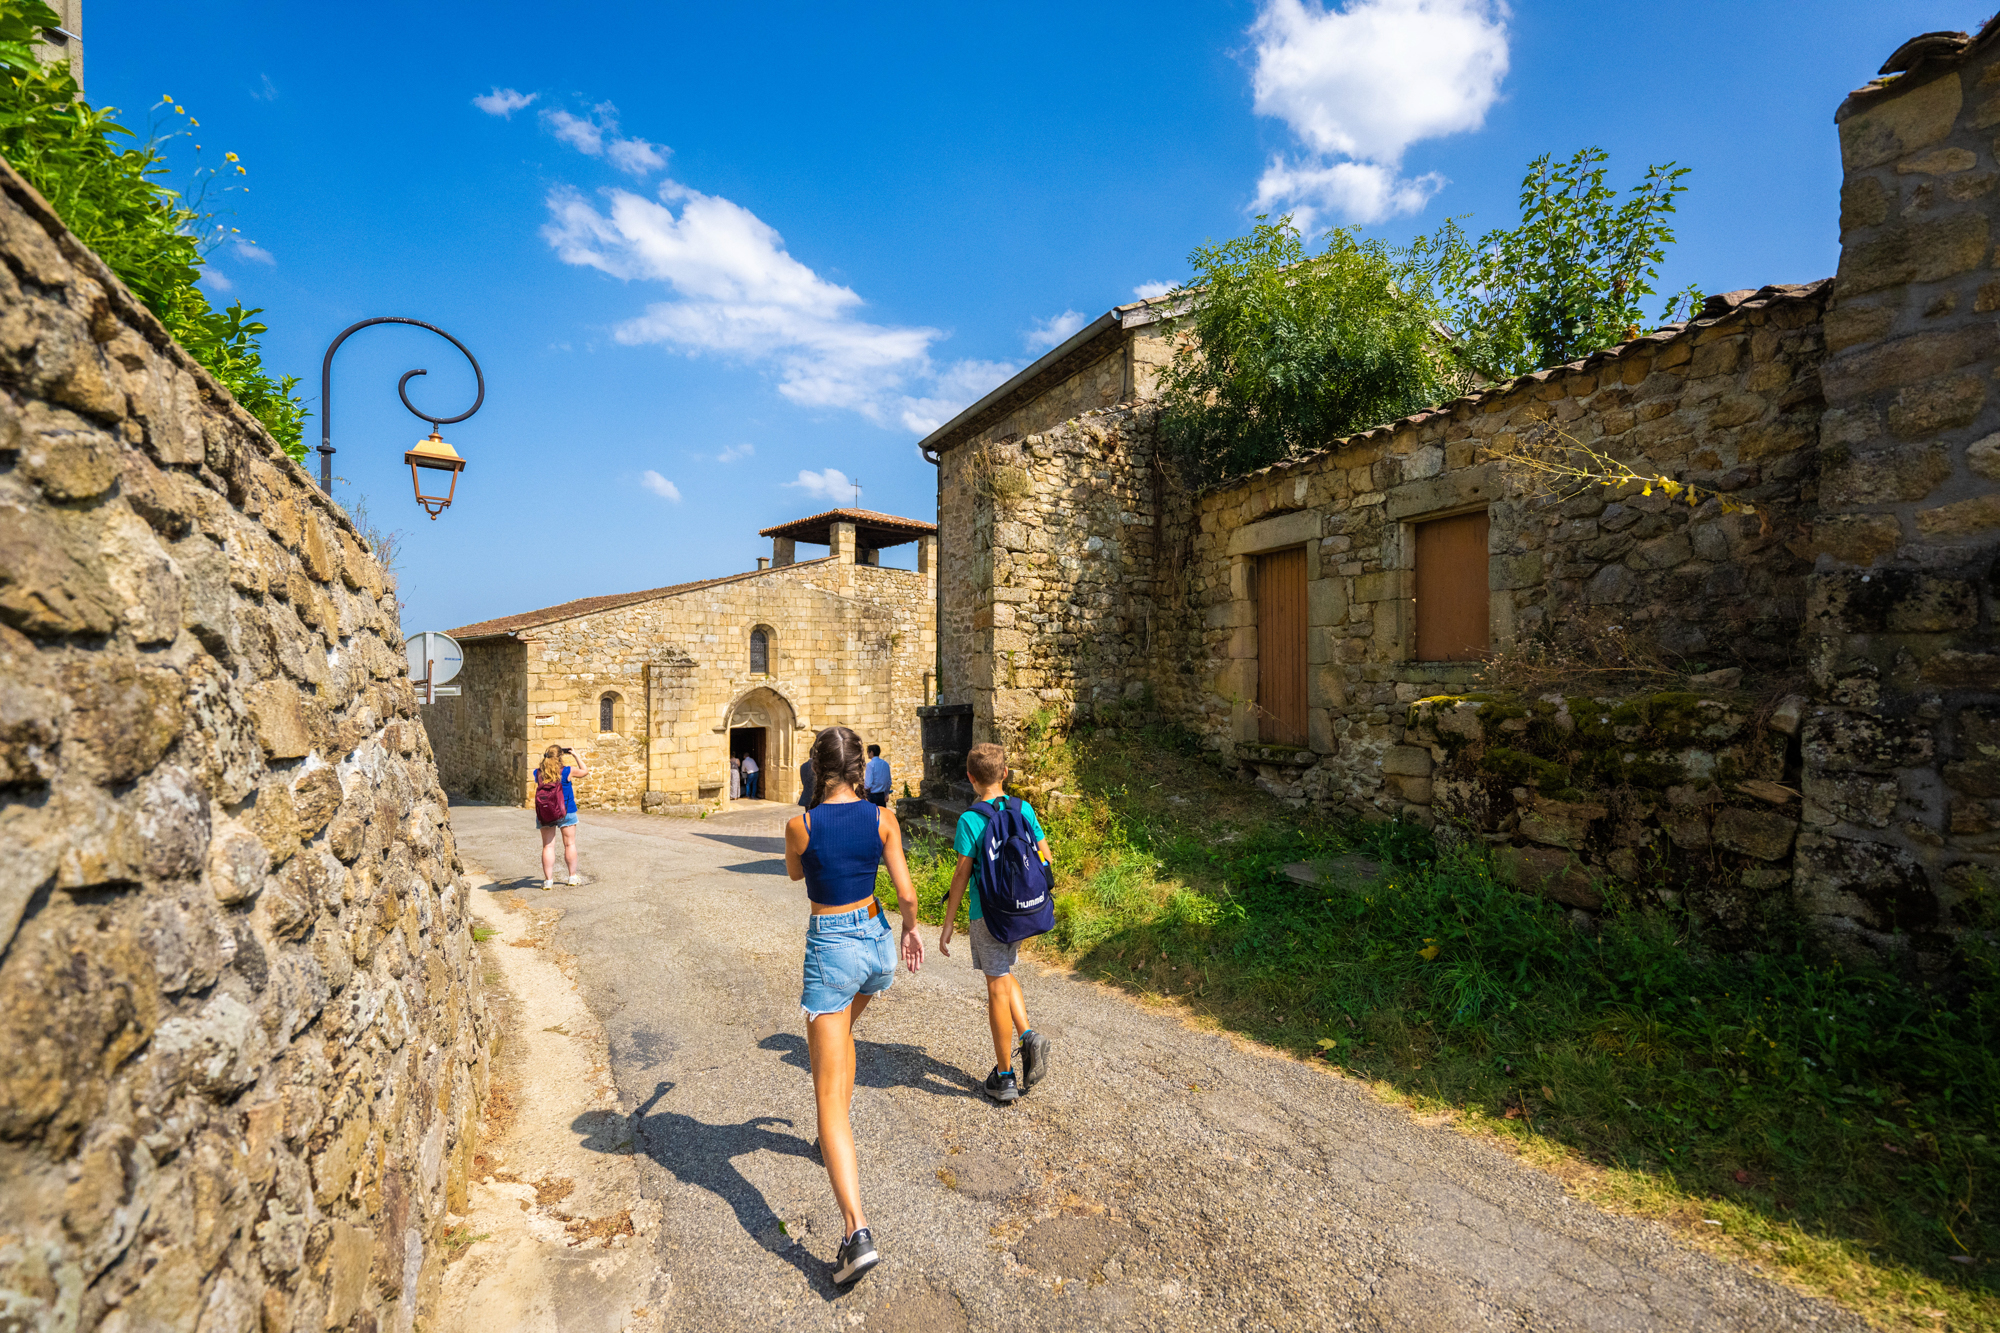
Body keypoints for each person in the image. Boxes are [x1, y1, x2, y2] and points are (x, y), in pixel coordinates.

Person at [783, 726, 924, 1286]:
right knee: (842, 1041)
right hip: (876, 944)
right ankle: (828, 1140)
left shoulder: (802, 825)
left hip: (833, 947)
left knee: (826, 1092)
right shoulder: (883, 819)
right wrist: (910, 932)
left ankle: (855, 1232)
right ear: (862, 771)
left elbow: (797, 873)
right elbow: (908, 894)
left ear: (817, 771)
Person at [938, 742, 1052, 1104]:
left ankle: (1004, 1077)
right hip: (1022, 911)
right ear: (1005, 773)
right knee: (1004, 975)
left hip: (987, 914)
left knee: (995, 988)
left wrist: (948, 924)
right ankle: (1028, 1036)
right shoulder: (1024, 809)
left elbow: (961, 874)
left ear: (970, 778)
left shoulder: (971, 819)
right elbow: (1046, 858)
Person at [531, 744, 588, 889]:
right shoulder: (567, 771)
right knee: (569, 844)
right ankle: (572, 877)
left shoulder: (538, 773)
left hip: (545, 812)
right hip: (566, 811)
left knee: (548, 846)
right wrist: (575, 755)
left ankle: (548, 881)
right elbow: (585, 771)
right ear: (560, 757)